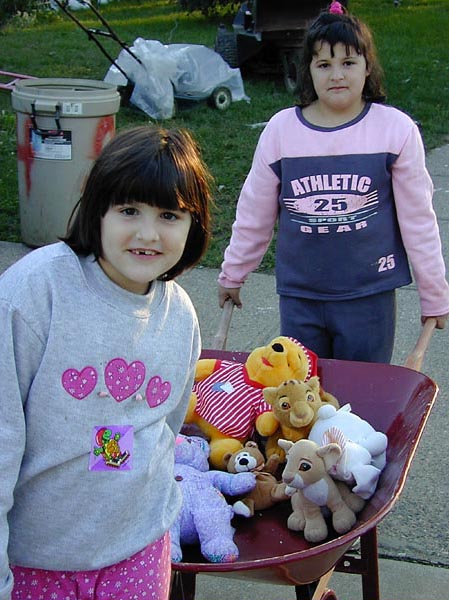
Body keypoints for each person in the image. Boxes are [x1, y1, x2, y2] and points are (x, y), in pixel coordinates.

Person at [0, 125, 212, 600]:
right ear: (98, 209)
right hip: (36, 559)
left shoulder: (179, 315)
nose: (147, 233)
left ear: (192, 225)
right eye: (129, 210)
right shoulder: (34, 294)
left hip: (137, 551)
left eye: (169, 215)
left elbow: (151, 427)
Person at [218, 1, 449, 362]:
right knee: (299, 396)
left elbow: (418, 220)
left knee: (361, 400)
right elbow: (254, 212)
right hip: (301, 297)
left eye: (348, 62)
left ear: (367, 67)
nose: (336, 75)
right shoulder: (282, 131)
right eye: (324, 64)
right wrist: (234, 272)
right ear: (307, 70)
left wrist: (435, 294)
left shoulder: (395, 130)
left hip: (368, 297)